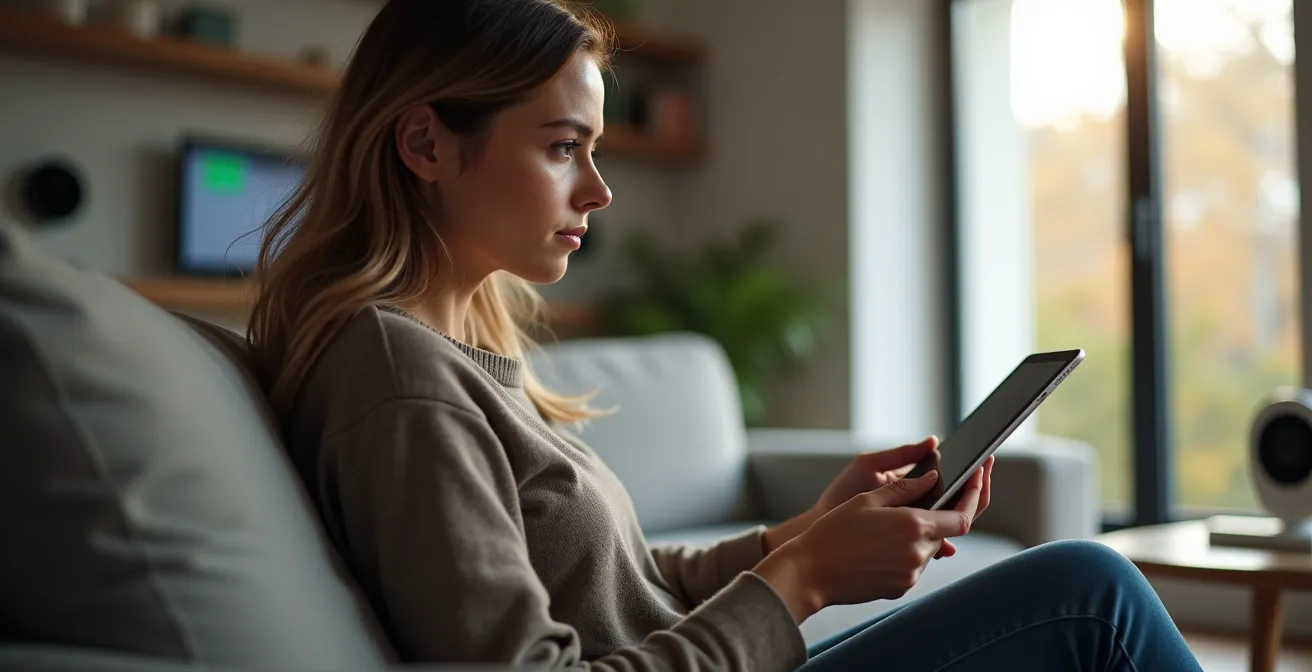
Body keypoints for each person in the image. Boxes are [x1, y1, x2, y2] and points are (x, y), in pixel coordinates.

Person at [247, 1, 1204, 670]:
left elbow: (625, 589)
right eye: (562, 147)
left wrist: (806, 534)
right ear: (425, 145)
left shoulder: (454, 360)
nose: (599, 191)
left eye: (594, 149)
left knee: (1083, 589)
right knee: (1089, 591)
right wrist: (803, 580)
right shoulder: (398, 378)